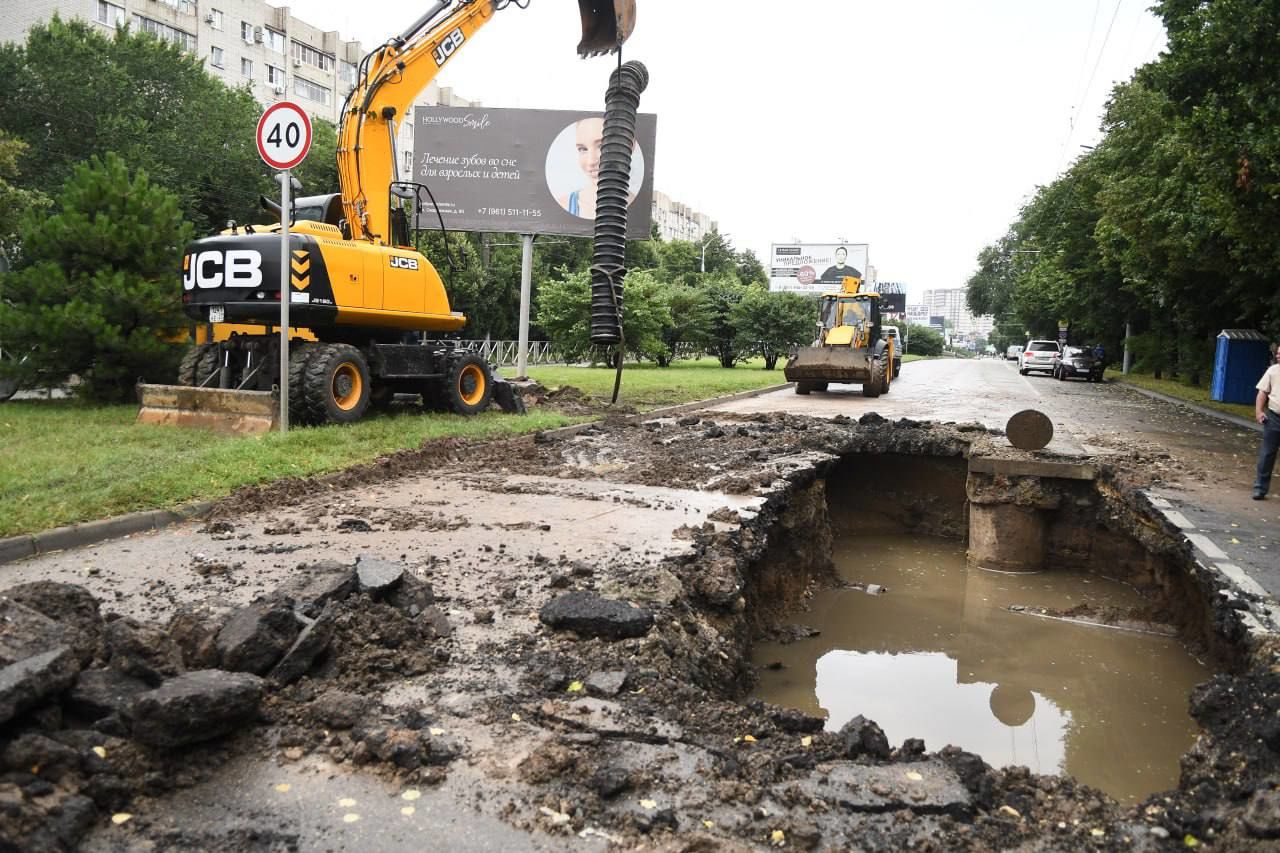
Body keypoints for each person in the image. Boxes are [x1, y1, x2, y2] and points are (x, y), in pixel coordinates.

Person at [554, 117, 639, 220]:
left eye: (601, 146)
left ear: (630, 145)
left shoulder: (641, 209)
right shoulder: (563, 205)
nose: (591, 162)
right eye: (583, 149)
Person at [1253, 344, 1280, 500]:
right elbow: (1262, 392)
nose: (1278, 356)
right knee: (1267, 454)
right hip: (1275, 418)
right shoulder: (1273, 371)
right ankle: (1260, 488)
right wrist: (1259, 411)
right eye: (1277, 353)